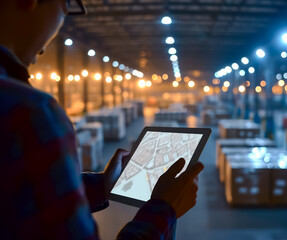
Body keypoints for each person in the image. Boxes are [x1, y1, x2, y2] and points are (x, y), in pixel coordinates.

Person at [0, 0, 204, 239]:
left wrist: (102, 186)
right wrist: (163, 208)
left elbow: (17, 199)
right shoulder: (31, 113)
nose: (45, 48)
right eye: (66, 7)